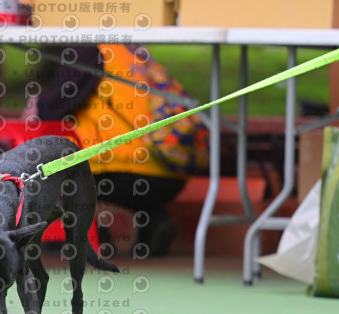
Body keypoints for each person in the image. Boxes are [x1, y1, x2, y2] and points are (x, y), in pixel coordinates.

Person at [21, 44, 209, 256]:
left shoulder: (88, 51)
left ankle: (82, 237)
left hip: (117, 169)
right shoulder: (134, 53)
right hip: (169, 168)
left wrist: (35, 103)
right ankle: (154, 218)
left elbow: (51, 109)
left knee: (49, 175)